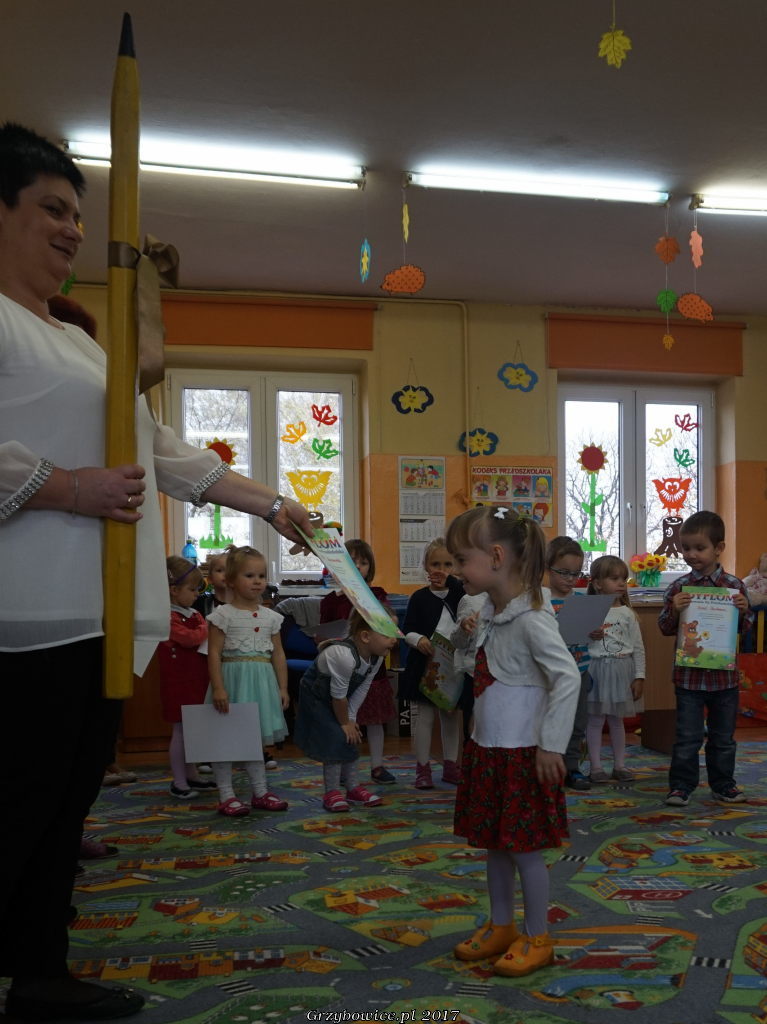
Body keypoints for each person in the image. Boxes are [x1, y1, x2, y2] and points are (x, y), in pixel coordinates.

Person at [0, 123, 313, 1022]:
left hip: (100, 620)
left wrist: (272, 504)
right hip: (30, 622)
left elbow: (161, 450)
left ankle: (39, 972)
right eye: (52, 209)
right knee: (19, 806)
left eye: (78, 213)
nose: (72, 229)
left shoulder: (73, 341)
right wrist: (70, 488)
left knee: (63, 809)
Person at [446, 506, 580, 978]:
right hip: (489, 751)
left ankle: (538, 935)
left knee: (525, 850)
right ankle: (501, 925)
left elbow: (567, 678)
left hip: (524, 754)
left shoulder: (532, 618)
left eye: (462, 559)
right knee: (495, 845)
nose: (457, 569)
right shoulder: (490, 612)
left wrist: (551, 746)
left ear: (497, 557)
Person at [658, 510, 753, 807]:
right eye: (686, 548)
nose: (691, 554)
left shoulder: (735, 587)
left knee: (723, 738)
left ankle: (723, 784)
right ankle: (681, 786)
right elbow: (665, 628)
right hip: (689, 678)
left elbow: (744, 629)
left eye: (700, 548)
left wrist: (743, 611)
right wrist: (674, 610)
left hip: (724, 679)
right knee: (687, 737)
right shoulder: (678, 587)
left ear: (719, 548)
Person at [207, 546, 290, 815]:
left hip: (261, 684)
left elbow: (278, 654)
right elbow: (214, 653)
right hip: (232, 683)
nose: (257, 581)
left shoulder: (272, 617)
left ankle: (260, 791)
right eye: (249, 575)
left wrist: (283, 687)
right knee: (225, 740)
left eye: (261, 576)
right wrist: (218, 688)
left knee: (255, 740)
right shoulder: (223, 615)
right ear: (231, 580)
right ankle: (226, 794)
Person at [294, 610, 397, 811]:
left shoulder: (376, 658)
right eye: (387, 635)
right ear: (365, 636)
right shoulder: (343, 656)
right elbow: (338, 696)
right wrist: (344, 723)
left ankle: (352, 788)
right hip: (316, 697)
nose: (394, 640)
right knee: (336, 737)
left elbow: (362, 688)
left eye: (395, 633)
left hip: (339, 698)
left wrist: (351, 719)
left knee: (352, 735)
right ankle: (332, 792)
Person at [320, 539, 398, 784]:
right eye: (352, 562)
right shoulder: (330, 601)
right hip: (343, 669)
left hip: (372, 669)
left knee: (375, 721)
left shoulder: (377, 594)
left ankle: (377, 766)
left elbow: (387, 622)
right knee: (345, 720)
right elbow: (322, 634)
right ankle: (344, 769)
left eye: (363, 563)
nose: (358, 567)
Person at [399, 538, 464, 788]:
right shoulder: (418, 597)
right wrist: (418, 640)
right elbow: (407, 630)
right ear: (426, 566)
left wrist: (453, 582)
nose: (441, 570)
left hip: (452, 667)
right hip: (423, 665)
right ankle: (423, 768)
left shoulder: (461, 595)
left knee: (450, 718)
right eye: (435, 564)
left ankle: (451, 765)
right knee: (424, 718)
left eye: (448, 564)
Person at [158, 556, 217, 798]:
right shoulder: (167, 616)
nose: (196, 595)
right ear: (174, 590)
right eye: (192, 590)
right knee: (181, 732)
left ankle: (191, 774)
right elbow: (189, 638)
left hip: (197, 680)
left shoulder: (193, 614)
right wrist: (207, 628)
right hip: (178, 683)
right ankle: (179, 781)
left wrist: (205, 627)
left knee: (192, 730)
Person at [584, 555, 645, 783]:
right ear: (598, 583)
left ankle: (620, 765)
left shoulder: (628, 613)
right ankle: (596, 767)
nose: (621, 583)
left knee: (617, 721)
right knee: (595, 720)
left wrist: (640, 676)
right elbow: (577, 641)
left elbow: (638, 648)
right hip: (596, 670)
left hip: (621, 670)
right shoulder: (589, 610)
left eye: (623, 579)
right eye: (614, 579)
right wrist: (588, 635)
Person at [546, 536, 592, 791]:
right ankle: (550, 767)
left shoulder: (580, 600)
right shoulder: (540, 601)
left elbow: (585, 633)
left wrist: (593, 632)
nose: (570, 579)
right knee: (550, 721)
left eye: (576, 573)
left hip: (580, 670)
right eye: (563, 572)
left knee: (578, 722)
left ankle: (572, 767)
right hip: (551, 675)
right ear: (547, 568)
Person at [450, 591, 487, 744]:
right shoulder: (470, 600)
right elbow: (457, 642)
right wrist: (463, 628)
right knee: (473, 735)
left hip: (506, 678)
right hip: (474, 675)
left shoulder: (518, 598)